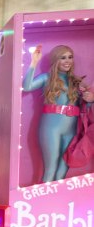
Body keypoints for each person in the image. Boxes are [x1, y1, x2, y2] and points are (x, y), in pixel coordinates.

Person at [23, 45, 83, 182]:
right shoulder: (46, 77)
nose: (67, 61)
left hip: (71, 130)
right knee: (50, 169)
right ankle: (44, 202)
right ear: (56, 60)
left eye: (70, 57)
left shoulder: (75, 81)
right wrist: (33, 63)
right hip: (50, 129)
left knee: (63, 168)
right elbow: (27, 87)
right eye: (63, 57)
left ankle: (57, 201)